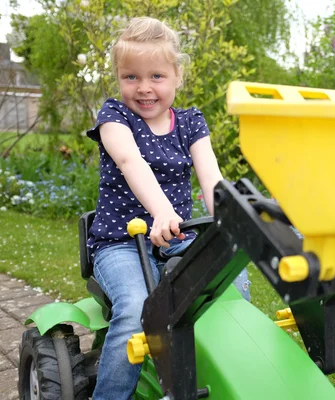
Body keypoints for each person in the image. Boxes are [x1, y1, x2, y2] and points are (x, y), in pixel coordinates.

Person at [86, 16, 250, 399]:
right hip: (121, 244)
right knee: (135, 310)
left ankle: (222, 377)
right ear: (118, 79)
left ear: (177, 76)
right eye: (131, 77)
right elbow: (131, 163)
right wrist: (160, 210)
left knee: (231, 288)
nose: (144, 88)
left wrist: (233, 217)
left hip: (177, 237)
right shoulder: (114, 117)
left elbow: (212, 180)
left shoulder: (191, 122)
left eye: (156, 76)